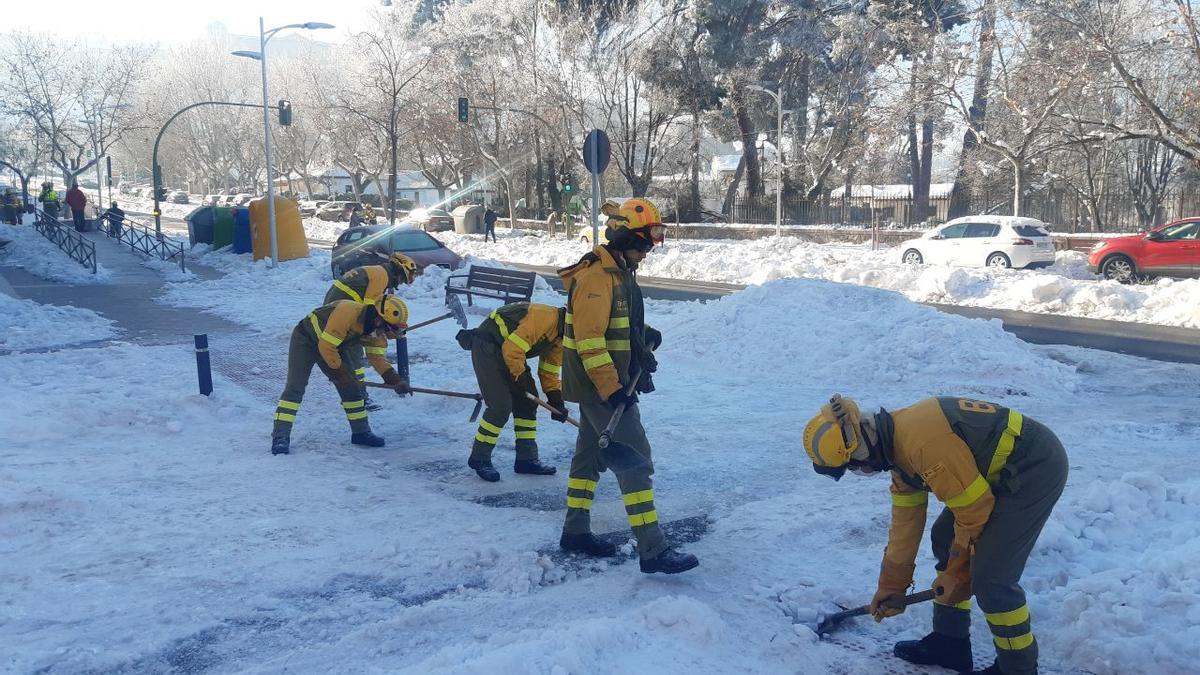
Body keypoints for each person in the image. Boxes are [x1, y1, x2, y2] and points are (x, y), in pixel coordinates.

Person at [801, 394, 1069, 675]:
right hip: (992, 473)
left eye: (853, 464)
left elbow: (975, 514)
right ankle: (950, 643)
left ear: (862, 442)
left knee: (992, 577)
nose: (860, 471)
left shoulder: (922, 445)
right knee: (945, 537)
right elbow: (906, 525)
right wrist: (892, 586)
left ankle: (1018, 668)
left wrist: (957, 572)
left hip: (1032, 466)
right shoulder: (897, 453)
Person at [555, 197, 698, 575]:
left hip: (602, 384)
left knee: (588, 459)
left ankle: (575, 532)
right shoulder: (597, 279)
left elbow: (616, 326)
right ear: (621, 239)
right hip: (601, 385)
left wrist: (643, 335)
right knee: (636, 460)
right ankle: (652, 549)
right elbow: (590, 339)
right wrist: (611, 389)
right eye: (643, 243)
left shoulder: (619, 272)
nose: (648, 251)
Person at [270, 294, 411, 456]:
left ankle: (361, 432)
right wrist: (341, 375)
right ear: (378, 320)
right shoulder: (347, 312)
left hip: (334, 346)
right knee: (295, 388)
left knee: (353, 390)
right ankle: (280, 436)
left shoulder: (376, 332)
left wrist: (395, 380)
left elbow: (377, 358)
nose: (386, 335)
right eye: (387, 329)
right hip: (306, 340)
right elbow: (326, 347)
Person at [458, 302, 566, 482]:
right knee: (500, 405)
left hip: (509, 352)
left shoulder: (562, 337)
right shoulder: (545, 317)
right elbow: (512, 350)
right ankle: (479, 457)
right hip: (488, 346)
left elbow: (549, 370)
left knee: (529, 401)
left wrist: (556, 400)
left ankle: (527, 459)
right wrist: (519, 379)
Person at [323, 252, 418, 410]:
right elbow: (371, 313)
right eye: (403, 279)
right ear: (399, 272)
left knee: (368, 349)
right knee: (356, 357)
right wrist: (387, 333)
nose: (400, 283)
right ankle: (358, 397)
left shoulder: (380, 273)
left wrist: (390, 330)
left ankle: (358, 395)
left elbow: (374, 316)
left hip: (339, 308)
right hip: (341, 315)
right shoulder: (381, 277)